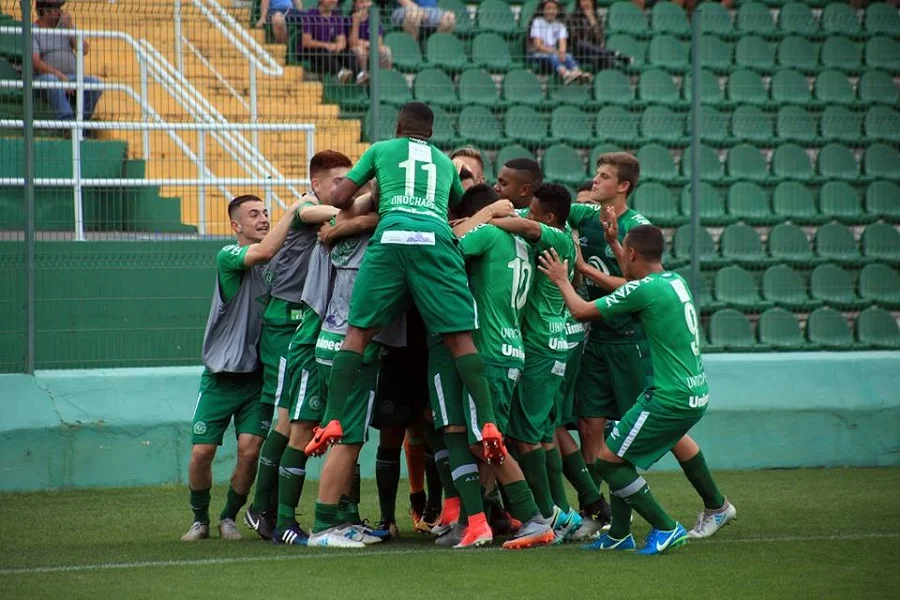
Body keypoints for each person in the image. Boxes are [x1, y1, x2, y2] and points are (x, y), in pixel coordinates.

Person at [303, 102, 512, 547]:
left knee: (358, 333)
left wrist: (366, 195)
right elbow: (457, 202)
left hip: (391, 237)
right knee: (459, 339)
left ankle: (335, 418)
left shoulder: (381, 149)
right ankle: (489, 422)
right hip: (434, 240)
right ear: (431, 133)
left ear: (398, 127)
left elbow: (339, 199)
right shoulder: (440, 160)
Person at [568, 152, 735, 546]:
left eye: (604, 176)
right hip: (599, 340)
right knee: (594, 428)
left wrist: (581, 270)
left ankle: (712, 504)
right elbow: (547, 211)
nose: (595, 180)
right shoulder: (590, 215)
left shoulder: (638, 230)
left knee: (639, 436)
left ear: (623, 186)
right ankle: (603, 517)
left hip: (630, 343)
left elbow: (635, 289)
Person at [537, 224, 720, 554]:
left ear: (632, 253)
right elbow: (635, 282)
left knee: (609, 462)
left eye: (623, 251)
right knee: (622, 454)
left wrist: (562, 278)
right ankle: (620, 533)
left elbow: (581, 311)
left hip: (668, 397)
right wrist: (612, 242)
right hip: (694, 391)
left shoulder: (645, 289)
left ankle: (666, 526)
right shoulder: (675, 281)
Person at [181, 195, 306, 542]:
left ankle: (228, 517)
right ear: (236, 226)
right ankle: (199, 519)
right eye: (254, 215)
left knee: (250, 451)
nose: (263, 219)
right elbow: (263, 252)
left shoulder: (277, 262)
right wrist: (294, 210)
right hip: (220, 378)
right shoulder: (230, 256)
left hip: (257, 377)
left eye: (266, 213)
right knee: (201, 452)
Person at [243, 151, 352, 543]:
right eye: (337, 181)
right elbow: (308, 215)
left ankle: (267, 509)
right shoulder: (307, 204)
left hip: (310, 322)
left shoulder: (332, 206)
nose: (344, 188)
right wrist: (353, 210)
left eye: (349, 180)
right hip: (291, 323)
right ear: (316, 183)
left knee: (295, 421)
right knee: (290, 423)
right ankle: (268, 511)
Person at [490, 183, 581, 543]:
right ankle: (562, 513)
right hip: (554, 341)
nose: (528, 216)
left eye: (534, 211)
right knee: (542, 435)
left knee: (526, 437)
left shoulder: (556, 237)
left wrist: (492, 219)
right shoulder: (564, 242)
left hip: (541, 346)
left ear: (550, 217)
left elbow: (528, 228)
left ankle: (546, 516)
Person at [32, 0, 102, 124]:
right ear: (44, 11)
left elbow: (84, 49)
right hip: (45, 79)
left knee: (95, 84)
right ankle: (67, 123)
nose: (59, 11)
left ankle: (82, 123)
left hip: (70, 77)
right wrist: (60, 76)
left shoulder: (65, 26)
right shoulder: (33, 29)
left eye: (59, 8)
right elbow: (36, 62)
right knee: (51, 80)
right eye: (55, 8)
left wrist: (70, 27)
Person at [527, 0, 589, 85]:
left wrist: (562, 53)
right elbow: (538, 45)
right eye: (548, 8)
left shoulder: (560, 25)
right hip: (536, 54)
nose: (551, 11)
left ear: (558, 10)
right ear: (543, 10)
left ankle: (577, 72)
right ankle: (565, 74)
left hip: (552, 52)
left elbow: (562, 43)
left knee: (568, 55)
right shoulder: (537, 22)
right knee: (553, 56)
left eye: (554, 9)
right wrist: (556, 52)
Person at [565, 0, 630, 71]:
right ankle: (612, 53)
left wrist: (591, 19)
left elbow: (600, 41)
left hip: (593, 54)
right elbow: (574, 40)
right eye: (583, 1)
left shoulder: (596, 18)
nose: (586, 3)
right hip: (577, 53)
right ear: (579, 3)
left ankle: (610, 79)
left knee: (605, 58)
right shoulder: (572, 17)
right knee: (581, 44)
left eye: (589, 1)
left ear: (593, 3)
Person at [300, 0, 354, 83]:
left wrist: (338, 46)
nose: (334, 1)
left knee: (346, 51)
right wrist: (328, 45)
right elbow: (306, 42)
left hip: (328, 51)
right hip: (310, 52)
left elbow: (342, 41)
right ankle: (340, 73)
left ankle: (360, 74)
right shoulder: (310, 15)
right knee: (321, 50)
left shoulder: (337, 17)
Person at [348, 0, 392, 85]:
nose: (364, 5)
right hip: (357, 52)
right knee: (360, 51)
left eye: (367, 1)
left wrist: (361, 42)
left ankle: (383, 82)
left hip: (371, 50)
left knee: (386, 51)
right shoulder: (349, 19)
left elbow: (379, 43)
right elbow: (352, 44)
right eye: (361, 2)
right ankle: (363, 81)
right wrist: (356, 24)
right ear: (354, 4)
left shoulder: (374, 18)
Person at [391, 0, 455, 41]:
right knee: (414, 15)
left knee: (450, 18)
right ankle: (411, 50)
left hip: (431, 11)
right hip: (405, 8)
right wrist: (416, 8)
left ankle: (437, 52)